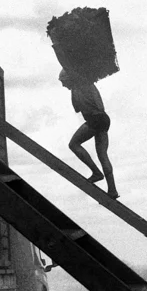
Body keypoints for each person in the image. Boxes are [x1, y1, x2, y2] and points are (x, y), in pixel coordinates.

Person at [60, 69, 118, 198]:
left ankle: (96, 173)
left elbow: (77, 108)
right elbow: (77, 108)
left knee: (73, 144)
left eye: (63, 81)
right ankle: (112, 190)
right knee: (103, 155)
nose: (63, 85)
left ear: (70, 78)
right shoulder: (80, 86)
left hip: (95, 119)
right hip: (103, 119)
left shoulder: (81, 83)